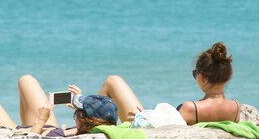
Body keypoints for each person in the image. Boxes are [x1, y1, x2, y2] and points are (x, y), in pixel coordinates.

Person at [98, 42, 241, 126]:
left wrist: (142, 117)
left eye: (195, 73)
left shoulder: (191, 108)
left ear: (202, 78)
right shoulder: (235, 108)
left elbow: (162, 131)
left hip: (147, 138)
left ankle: (91, 126)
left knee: (112, 81)